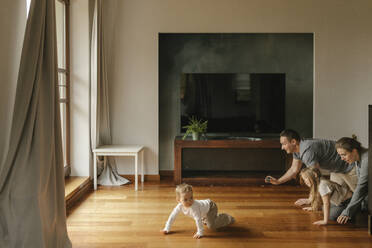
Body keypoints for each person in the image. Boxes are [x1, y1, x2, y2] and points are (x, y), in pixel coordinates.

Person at [265, 129, 357, 207]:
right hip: (336, 170)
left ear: (293, 142)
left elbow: (315, 177)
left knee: (361, 197)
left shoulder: (307, 151)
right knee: (337, 202)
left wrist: (310, 200)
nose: (282, 147)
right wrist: (278, 181)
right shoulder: (297, 150)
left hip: (349, 167)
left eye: (284, 144)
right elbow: (294, 169)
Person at [161, 183, 235, 239]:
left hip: (211, 207)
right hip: (203, 212)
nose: (189, 201)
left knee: (211, 226)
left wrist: (200, 232)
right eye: (185, 199)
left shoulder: (194, 207)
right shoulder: (179, 206)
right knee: (205, 220)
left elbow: (197, 219)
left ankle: (227, 218)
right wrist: (167, 228)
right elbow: (172, 216)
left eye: (191, 198)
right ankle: (207, 218)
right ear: (178, 200)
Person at [334, 137, 368, 224]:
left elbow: (362, 187)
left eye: (344, 154)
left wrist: (347, 212)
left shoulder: (367, 160)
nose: (342, 158)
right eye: (340, 155)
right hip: (364, 199)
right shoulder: (357, 158)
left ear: (354, 151)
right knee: (332, 212)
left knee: (334, 215)